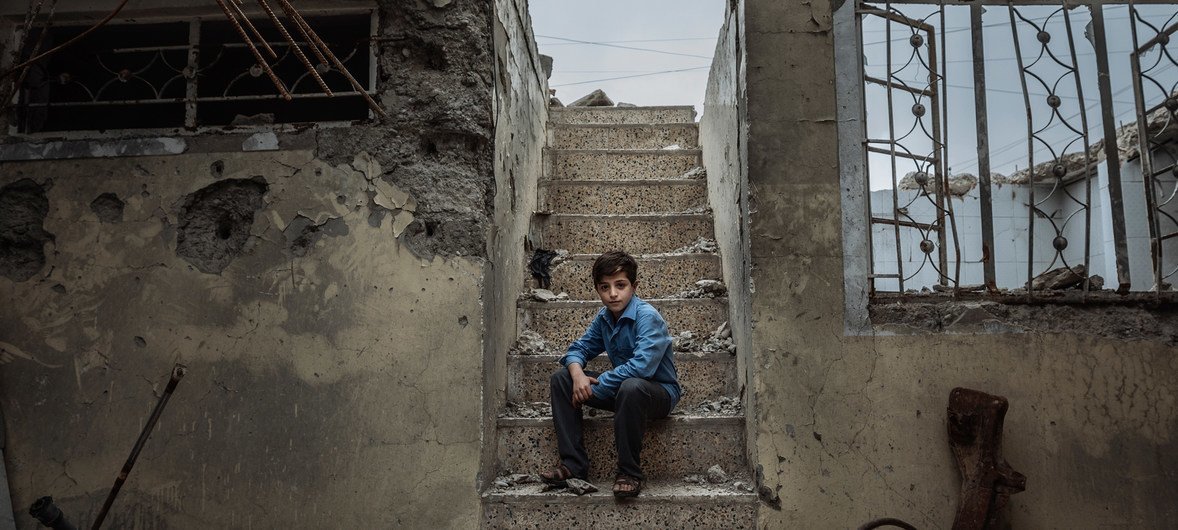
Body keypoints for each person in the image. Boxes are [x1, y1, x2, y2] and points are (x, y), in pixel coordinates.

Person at [539, 250, 681, 498]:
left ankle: (629, 472)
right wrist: (577, 375)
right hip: (623, 391)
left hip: (657, 394)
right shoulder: (605, 318)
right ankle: (574, 465)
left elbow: (642, 367)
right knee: (561, 379)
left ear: (634, 286)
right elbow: (578, 349)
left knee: (632, 386)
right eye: (605, 287)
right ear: (597, 289)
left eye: (620, 285)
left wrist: (598, 385)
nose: (613, 293)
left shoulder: (647, 317)